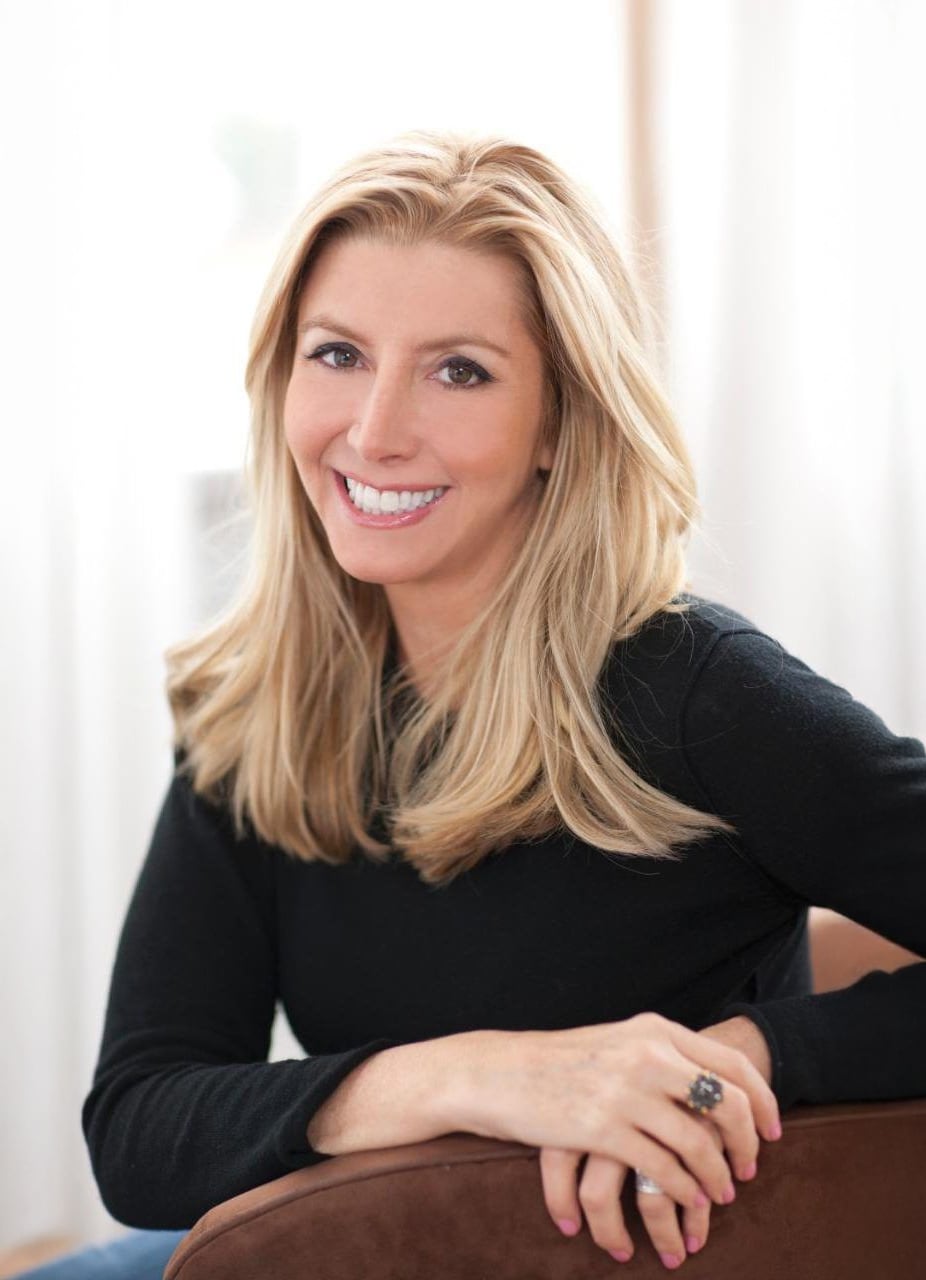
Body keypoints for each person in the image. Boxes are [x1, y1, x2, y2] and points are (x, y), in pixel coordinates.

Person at [19, 129, 925, 1278]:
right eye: (337, 353)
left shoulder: (694, 688)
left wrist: (744, 1052)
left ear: (556, 421)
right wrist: (476, 1072)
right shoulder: (259, 705)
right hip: (358, 1241)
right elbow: (142, 1126)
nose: (375, 428)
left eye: (459, 370)